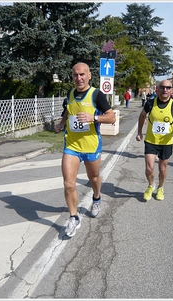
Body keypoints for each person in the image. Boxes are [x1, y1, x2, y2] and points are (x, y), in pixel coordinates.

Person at [54, 62, 116, 237]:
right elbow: (68, 109)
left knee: (94, 177)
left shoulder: (97, 94)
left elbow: (111, 117)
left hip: (91, 145)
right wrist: (61, 123)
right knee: (68, 183)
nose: (79, 78)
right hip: (72, 146)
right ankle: (74, 217)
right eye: (75, 75)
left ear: (89, 76)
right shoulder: (70, 93)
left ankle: (96, 198)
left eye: (82, 74)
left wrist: (94, 117)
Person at [136, 80, 173, 201]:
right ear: (158, 89)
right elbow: (142, 116)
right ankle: (150, 185)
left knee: (162, 170)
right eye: (162, 87)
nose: (165, 90)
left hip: (166, 143)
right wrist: (139, 132)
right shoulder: (150, 103)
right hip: (151, 141)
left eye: (168, 88)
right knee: (149, 168)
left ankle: (160, 187)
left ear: (171, 90)